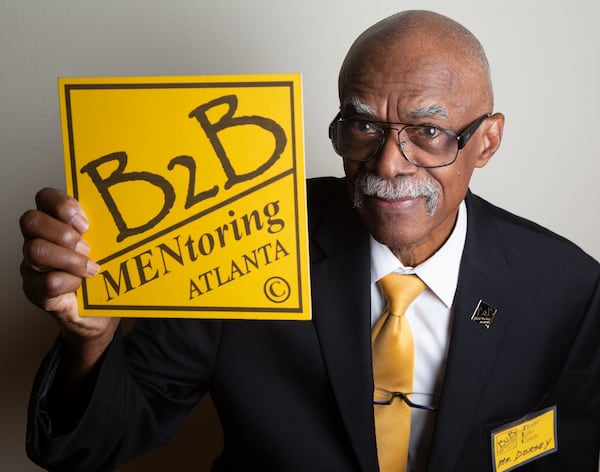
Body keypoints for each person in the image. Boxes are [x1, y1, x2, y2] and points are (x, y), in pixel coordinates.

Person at [20, 10, 600, 472]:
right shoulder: (239, 240)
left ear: (488, 141)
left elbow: (561, 454)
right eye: (364, 125)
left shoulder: (567, 288)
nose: (390, 164)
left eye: (429, 132)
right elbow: (83, 450)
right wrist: (89, 340)